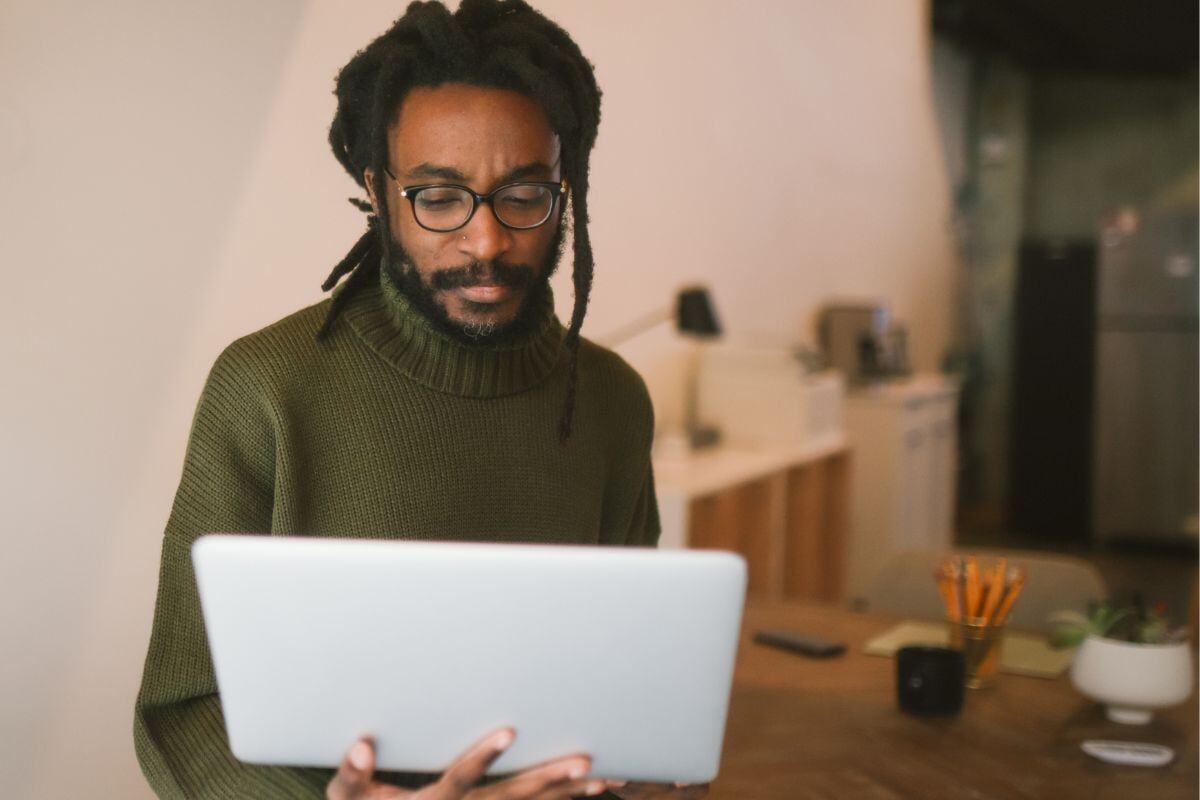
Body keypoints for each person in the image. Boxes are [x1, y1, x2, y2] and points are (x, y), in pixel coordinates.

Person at [133, 2, 706, 798]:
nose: (486, 241)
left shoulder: (610, 401)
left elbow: (626, 695)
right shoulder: (267, 387)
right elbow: (182, 707)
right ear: (377, 189)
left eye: (524, 195)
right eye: (439, 198)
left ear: (562, 191)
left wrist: (639, 777)